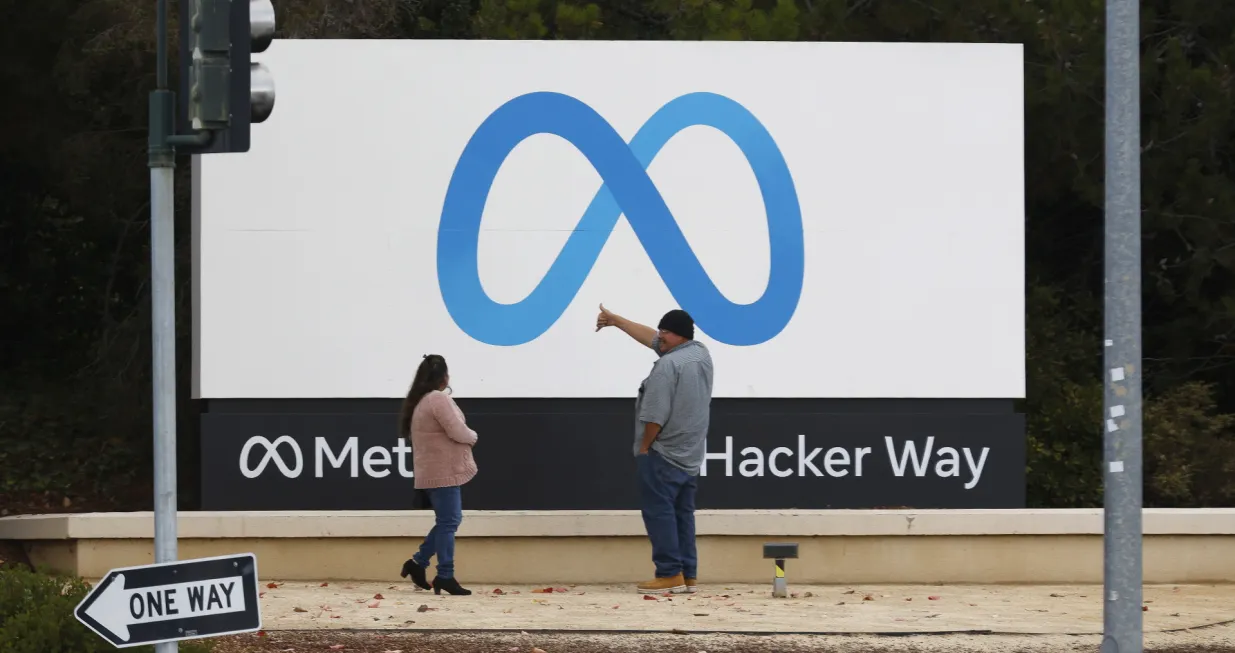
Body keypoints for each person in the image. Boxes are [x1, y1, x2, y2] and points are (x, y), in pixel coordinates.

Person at [595, 304, 714, 594]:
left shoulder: (667, 366)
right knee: (683, 515)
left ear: (678, 335)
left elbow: (654, 416)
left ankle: (669, 573)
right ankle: (688, 575)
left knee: (659, 514)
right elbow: (649, 337)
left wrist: (646, 447)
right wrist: (616, 320)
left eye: (665, 332)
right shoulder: (700, 354)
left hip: (663, 453)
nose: (659, 336)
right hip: (690, 455)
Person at [397, 354, 478, 596]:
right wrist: (474, 436)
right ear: (444, 377)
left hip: (434, 472)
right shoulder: (437, 399)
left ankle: (418, 563)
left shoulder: (421, 400)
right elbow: (458, 431)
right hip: (443, 472)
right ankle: (445, 575)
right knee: (449, 521)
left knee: (447, 521)